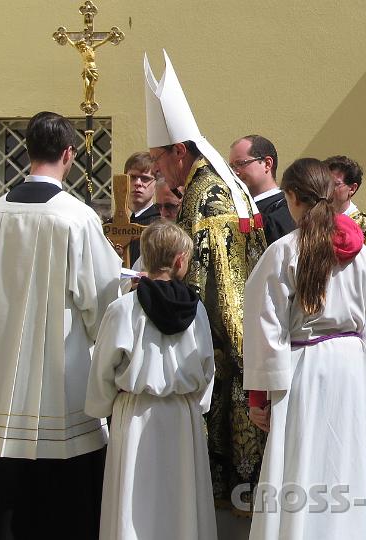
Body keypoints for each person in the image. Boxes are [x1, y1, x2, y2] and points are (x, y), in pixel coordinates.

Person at [0, 112, 122, 540]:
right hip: (58, 387)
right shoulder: (76, 218)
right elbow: (104, 300)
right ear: (69, 154)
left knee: (3, 496)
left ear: (26, 150)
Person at [145, 51, 267, 510]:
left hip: (224, 346)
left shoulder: (207, 192)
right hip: (232, 342)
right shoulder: (215, 184)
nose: (157, 171)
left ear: (180, 150)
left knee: (227, 479)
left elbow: (218, 281)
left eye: (159, 159)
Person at [244, 158, 366, 539]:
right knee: (344, 463)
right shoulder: (364, 256)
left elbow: (265, 323)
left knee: (300, 465)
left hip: (305, 364)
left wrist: (259, 395)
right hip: (351, 366)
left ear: (292, 196)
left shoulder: (285, 251)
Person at [86, 220, 217, 540]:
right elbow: (207, 366)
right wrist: (196, 404)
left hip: (135, 415)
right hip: (181, 417)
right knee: (181, 505)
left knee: (134, 502)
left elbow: (102, 368)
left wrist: (105, 406)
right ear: (180, 261)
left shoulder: (123, 309)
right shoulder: (196, 309)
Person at [229, 135, 295, 244]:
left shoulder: (287, 203)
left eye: (241, 163)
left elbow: (274, 234)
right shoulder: (235, 201)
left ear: (267, 164)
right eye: (231, 167)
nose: (235, 172)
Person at [323, 155, 366, 251]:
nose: (327, 190)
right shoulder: (315, 219)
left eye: (334, 184)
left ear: (352, 188)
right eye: (325, 184)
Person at [122, 151, 160, 263]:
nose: (138, 183)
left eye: (145, 178)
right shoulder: (114, 225)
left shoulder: (160, 224)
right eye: (132, 177)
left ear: (156, 183)